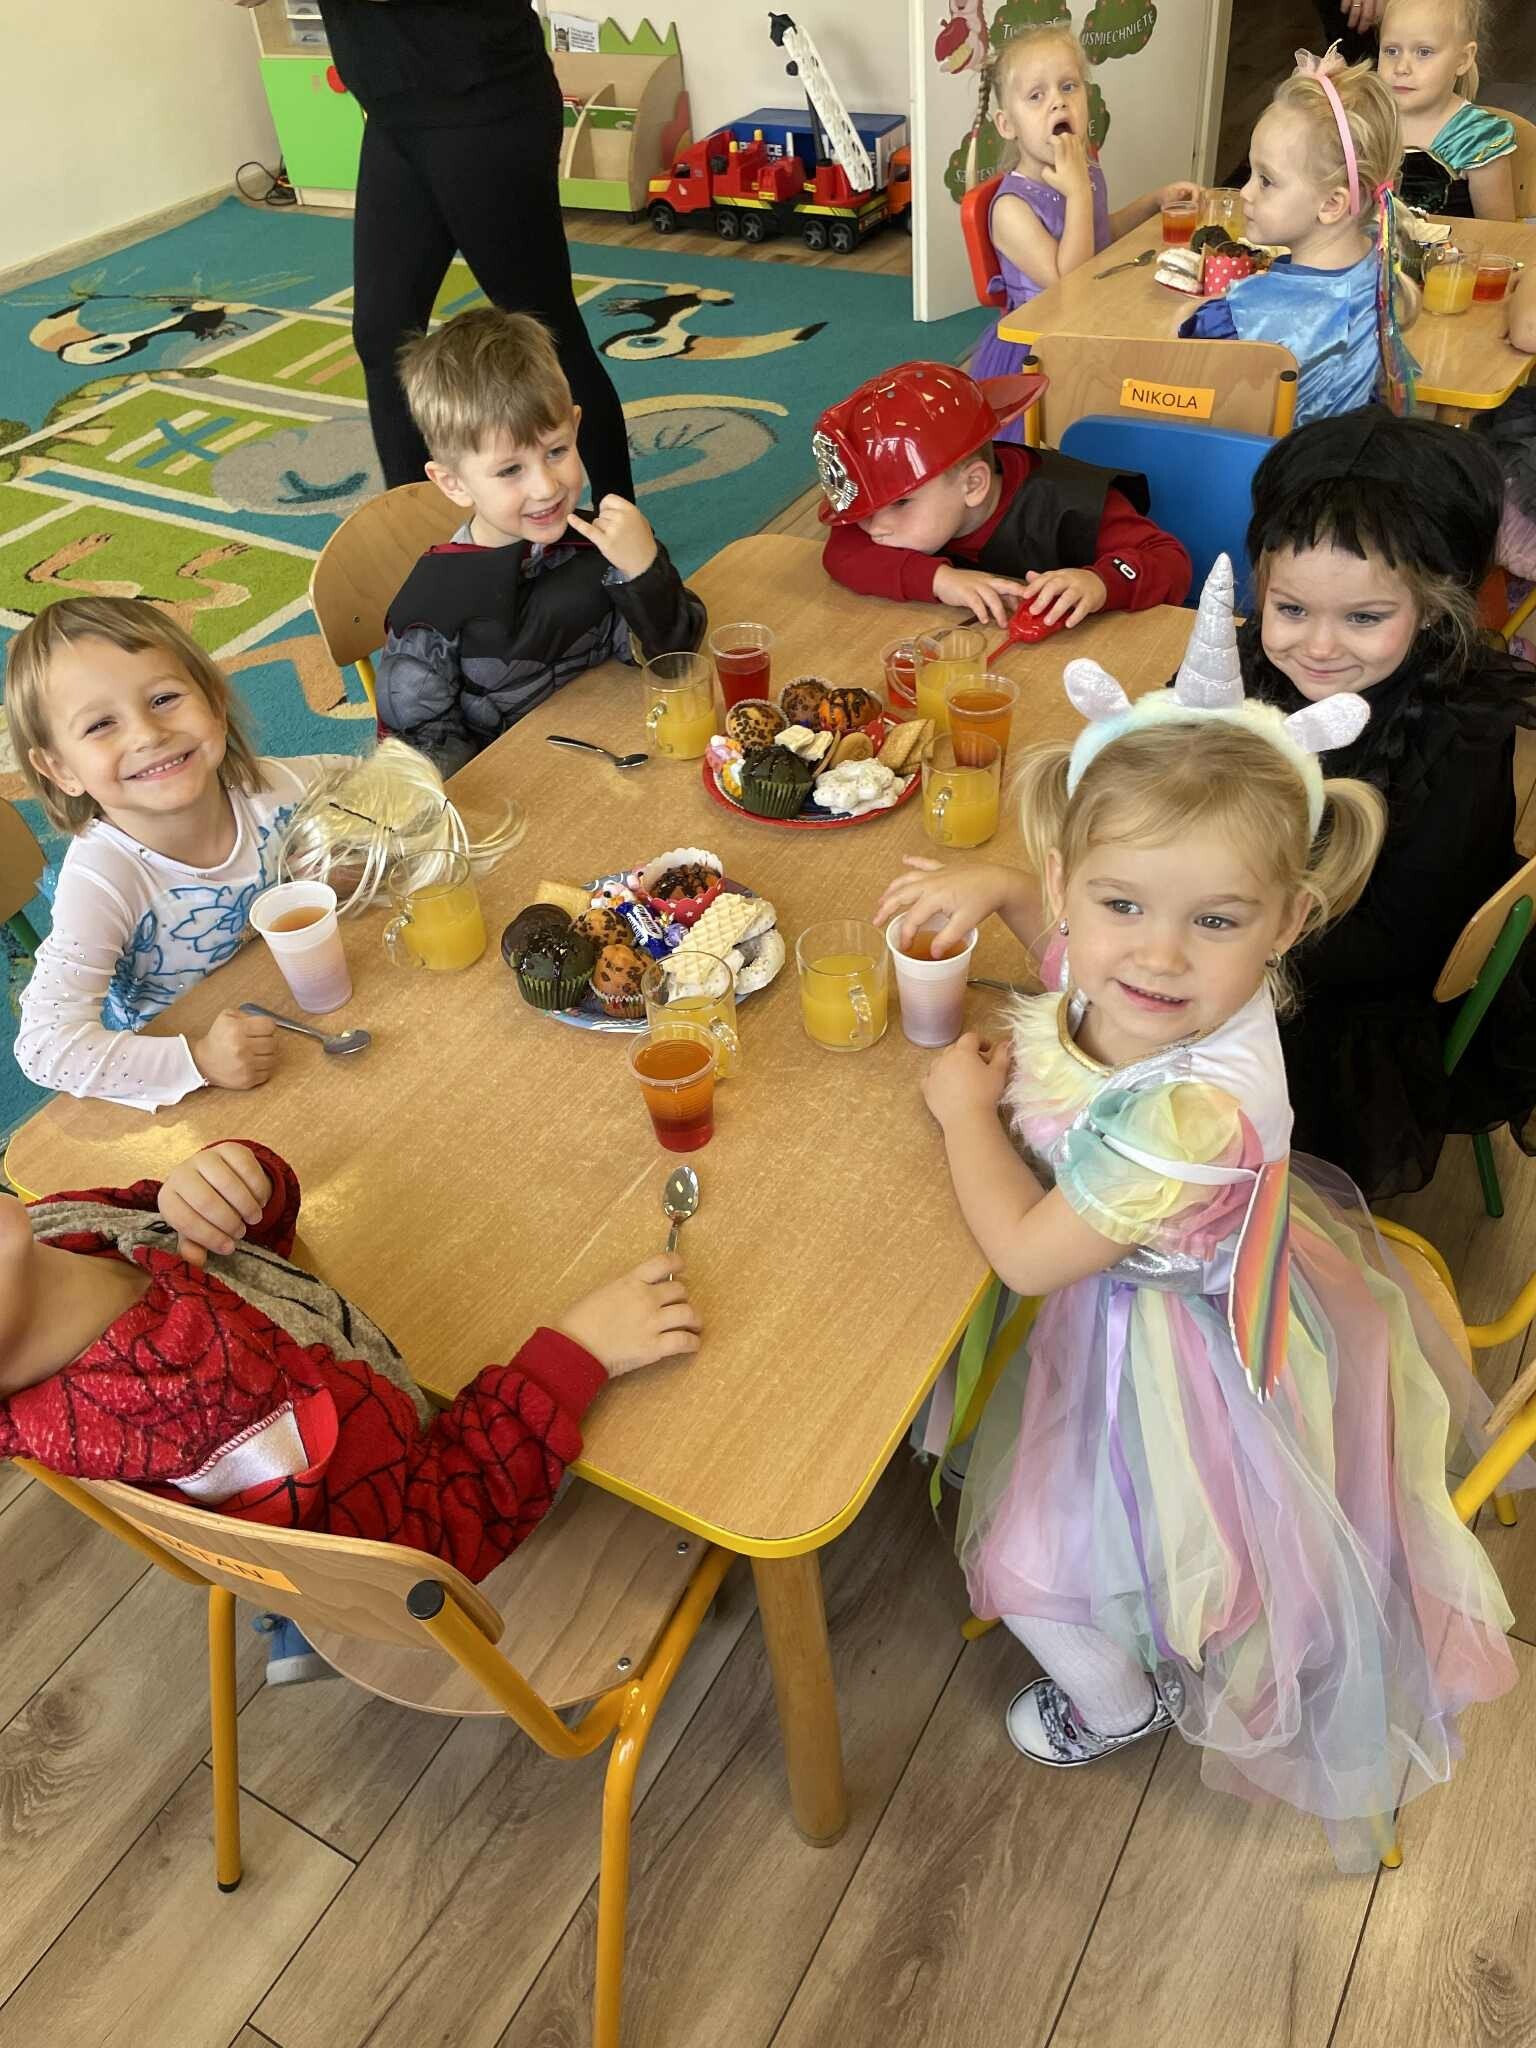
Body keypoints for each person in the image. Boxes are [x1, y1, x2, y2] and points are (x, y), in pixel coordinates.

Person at [903, 573, 1522, 1871]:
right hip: (1162, 1269)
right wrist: (1001, 889)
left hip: (1161, 1351)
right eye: (1122, 904)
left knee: (1031, 1565)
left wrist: (962, 1114)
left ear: (1290, 921)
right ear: (1072, 881)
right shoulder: (1159, 977)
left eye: (1215, 921)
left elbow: (1025, 1253)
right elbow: (1081, 960)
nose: (1159, 957)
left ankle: (1114, 1701)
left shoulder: (1189, 1115)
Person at [0, 1139, 700, 1580]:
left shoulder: (48, 1230)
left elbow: (246, 1258)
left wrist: (233, 1185)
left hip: (358, 1386)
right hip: (489, 1478)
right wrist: (574, 1356)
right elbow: (437, 1535)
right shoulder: (216, 1413)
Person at [1240, 409, 1536, 1197]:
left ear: (1432, 608)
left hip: (1343, 1001)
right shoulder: (1250, 665)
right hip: (1240, 922)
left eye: (1364, 618)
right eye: (1290, 610)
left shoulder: (1460, 739)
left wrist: (1227, 940)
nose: (1318, 646)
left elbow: (1393, 942)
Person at [232, 0, 634, 501]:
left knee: (546, 329)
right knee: (382, 336)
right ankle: (416, 529)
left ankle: (621, 521)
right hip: (391, 114)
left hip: (485, 102)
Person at [7, 598, 353, 1112]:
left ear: (215, 703)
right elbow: (44, 1048)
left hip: (299, 1016)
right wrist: (200, 1061)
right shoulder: (102, 881)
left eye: (164, 698)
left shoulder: (271, 787)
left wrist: (356, 853)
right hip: (198, 1093)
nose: (148, 734)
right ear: (60, 770)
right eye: (100, 725)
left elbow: (385, 785)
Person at [374, 308, 705, 775]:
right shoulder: (432, 615)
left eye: (556, 451)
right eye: (511, 469)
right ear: (453, 483)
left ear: (576, 426)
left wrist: (644, 571)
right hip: (516, 797)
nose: (546, 487)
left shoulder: (599, 545)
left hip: (619, 754)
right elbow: (424, 768)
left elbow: (675, 661)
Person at [812, 361, 1192, 632]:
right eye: (866, 507)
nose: (875, 526)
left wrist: (1101, 583)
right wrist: (940, 580)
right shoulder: (906, 513)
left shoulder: (1070, 501)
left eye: (900, 502)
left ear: (972, 485)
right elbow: (842, 551)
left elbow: (1170, 560)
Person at [966, 24, 1200, 424]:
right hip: (1040, 350)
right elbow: (1070, 283)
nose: (1058, 102)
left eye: (1069, 87)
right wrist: (1077, 193)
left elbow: (1097, 237)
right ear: (1008, 125)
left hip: (1092, 321)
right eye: (1036, 96)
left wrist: (1152, 202)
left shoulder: (1085, 173)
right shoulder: (1011, 208)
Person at [1181, 49, 1421, 425]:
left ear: (1332, 203)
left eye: (1266, 180)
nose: (1245, 192)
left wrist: (1188, 315)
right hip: (1353, 452)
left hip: (1270, 460)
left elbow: (1184, 366)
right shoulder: (1376, 257)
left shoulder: (1248, 314)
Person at [1378, 0, 1515, 218]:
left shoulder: (1475, 138)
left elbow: (1498, 230)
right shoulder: (1369, 121)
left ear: (1463, 59)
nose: (1401, 67)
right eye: (1391, 50)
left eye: (1424, 52)